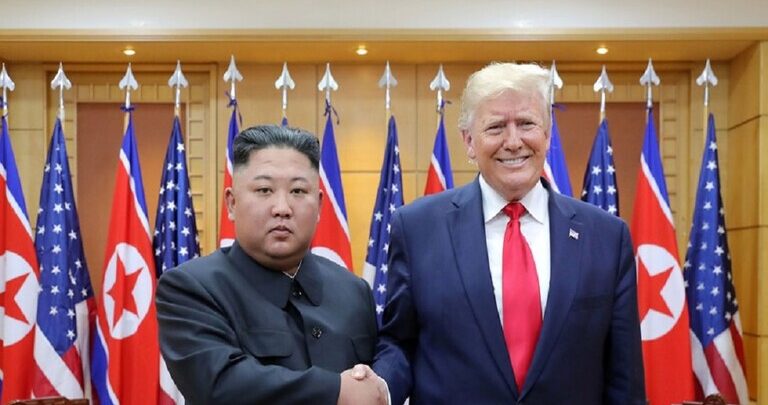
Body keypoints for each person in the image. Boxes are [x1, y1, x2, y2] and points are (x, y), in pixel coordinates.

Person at [372, 63, 646, 404]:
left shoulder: (606, 238)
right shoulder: (417, 229)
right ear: (469, 141)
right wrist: (379, 389)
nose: (514, 142)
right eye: (496, 127)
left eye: (527, 124)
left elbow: (624, 379)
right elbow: (399, 343)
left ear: (547, 134)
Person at [156, 125, 384, 405]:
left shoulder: (354, 291)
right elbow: (220, 385)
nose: (282, 208)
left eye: (298, 191)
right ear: (231, 203)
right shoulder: (190, 287)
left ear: (320, 206)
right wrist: (336, 391)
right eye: (264, 190)